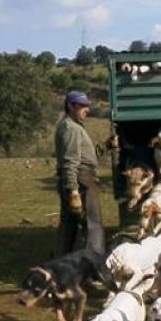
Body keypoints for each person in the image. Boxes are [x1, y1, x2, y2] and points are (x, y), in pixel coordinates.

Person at [54, 90, 112, 256]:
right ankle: (93, 265)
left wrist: (106, 146)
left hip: (79, 178)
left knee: (68, 226)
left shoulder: (73, 126)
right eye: (82, 106)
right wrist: (73, 191)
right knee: (92, 224)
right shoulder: (71, 128)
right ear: (71, 106)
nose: (87, 110)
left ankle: (61, 264)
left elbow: (87, 155)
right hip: (81, 181)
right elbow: (70, 162)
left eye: (87, 106)